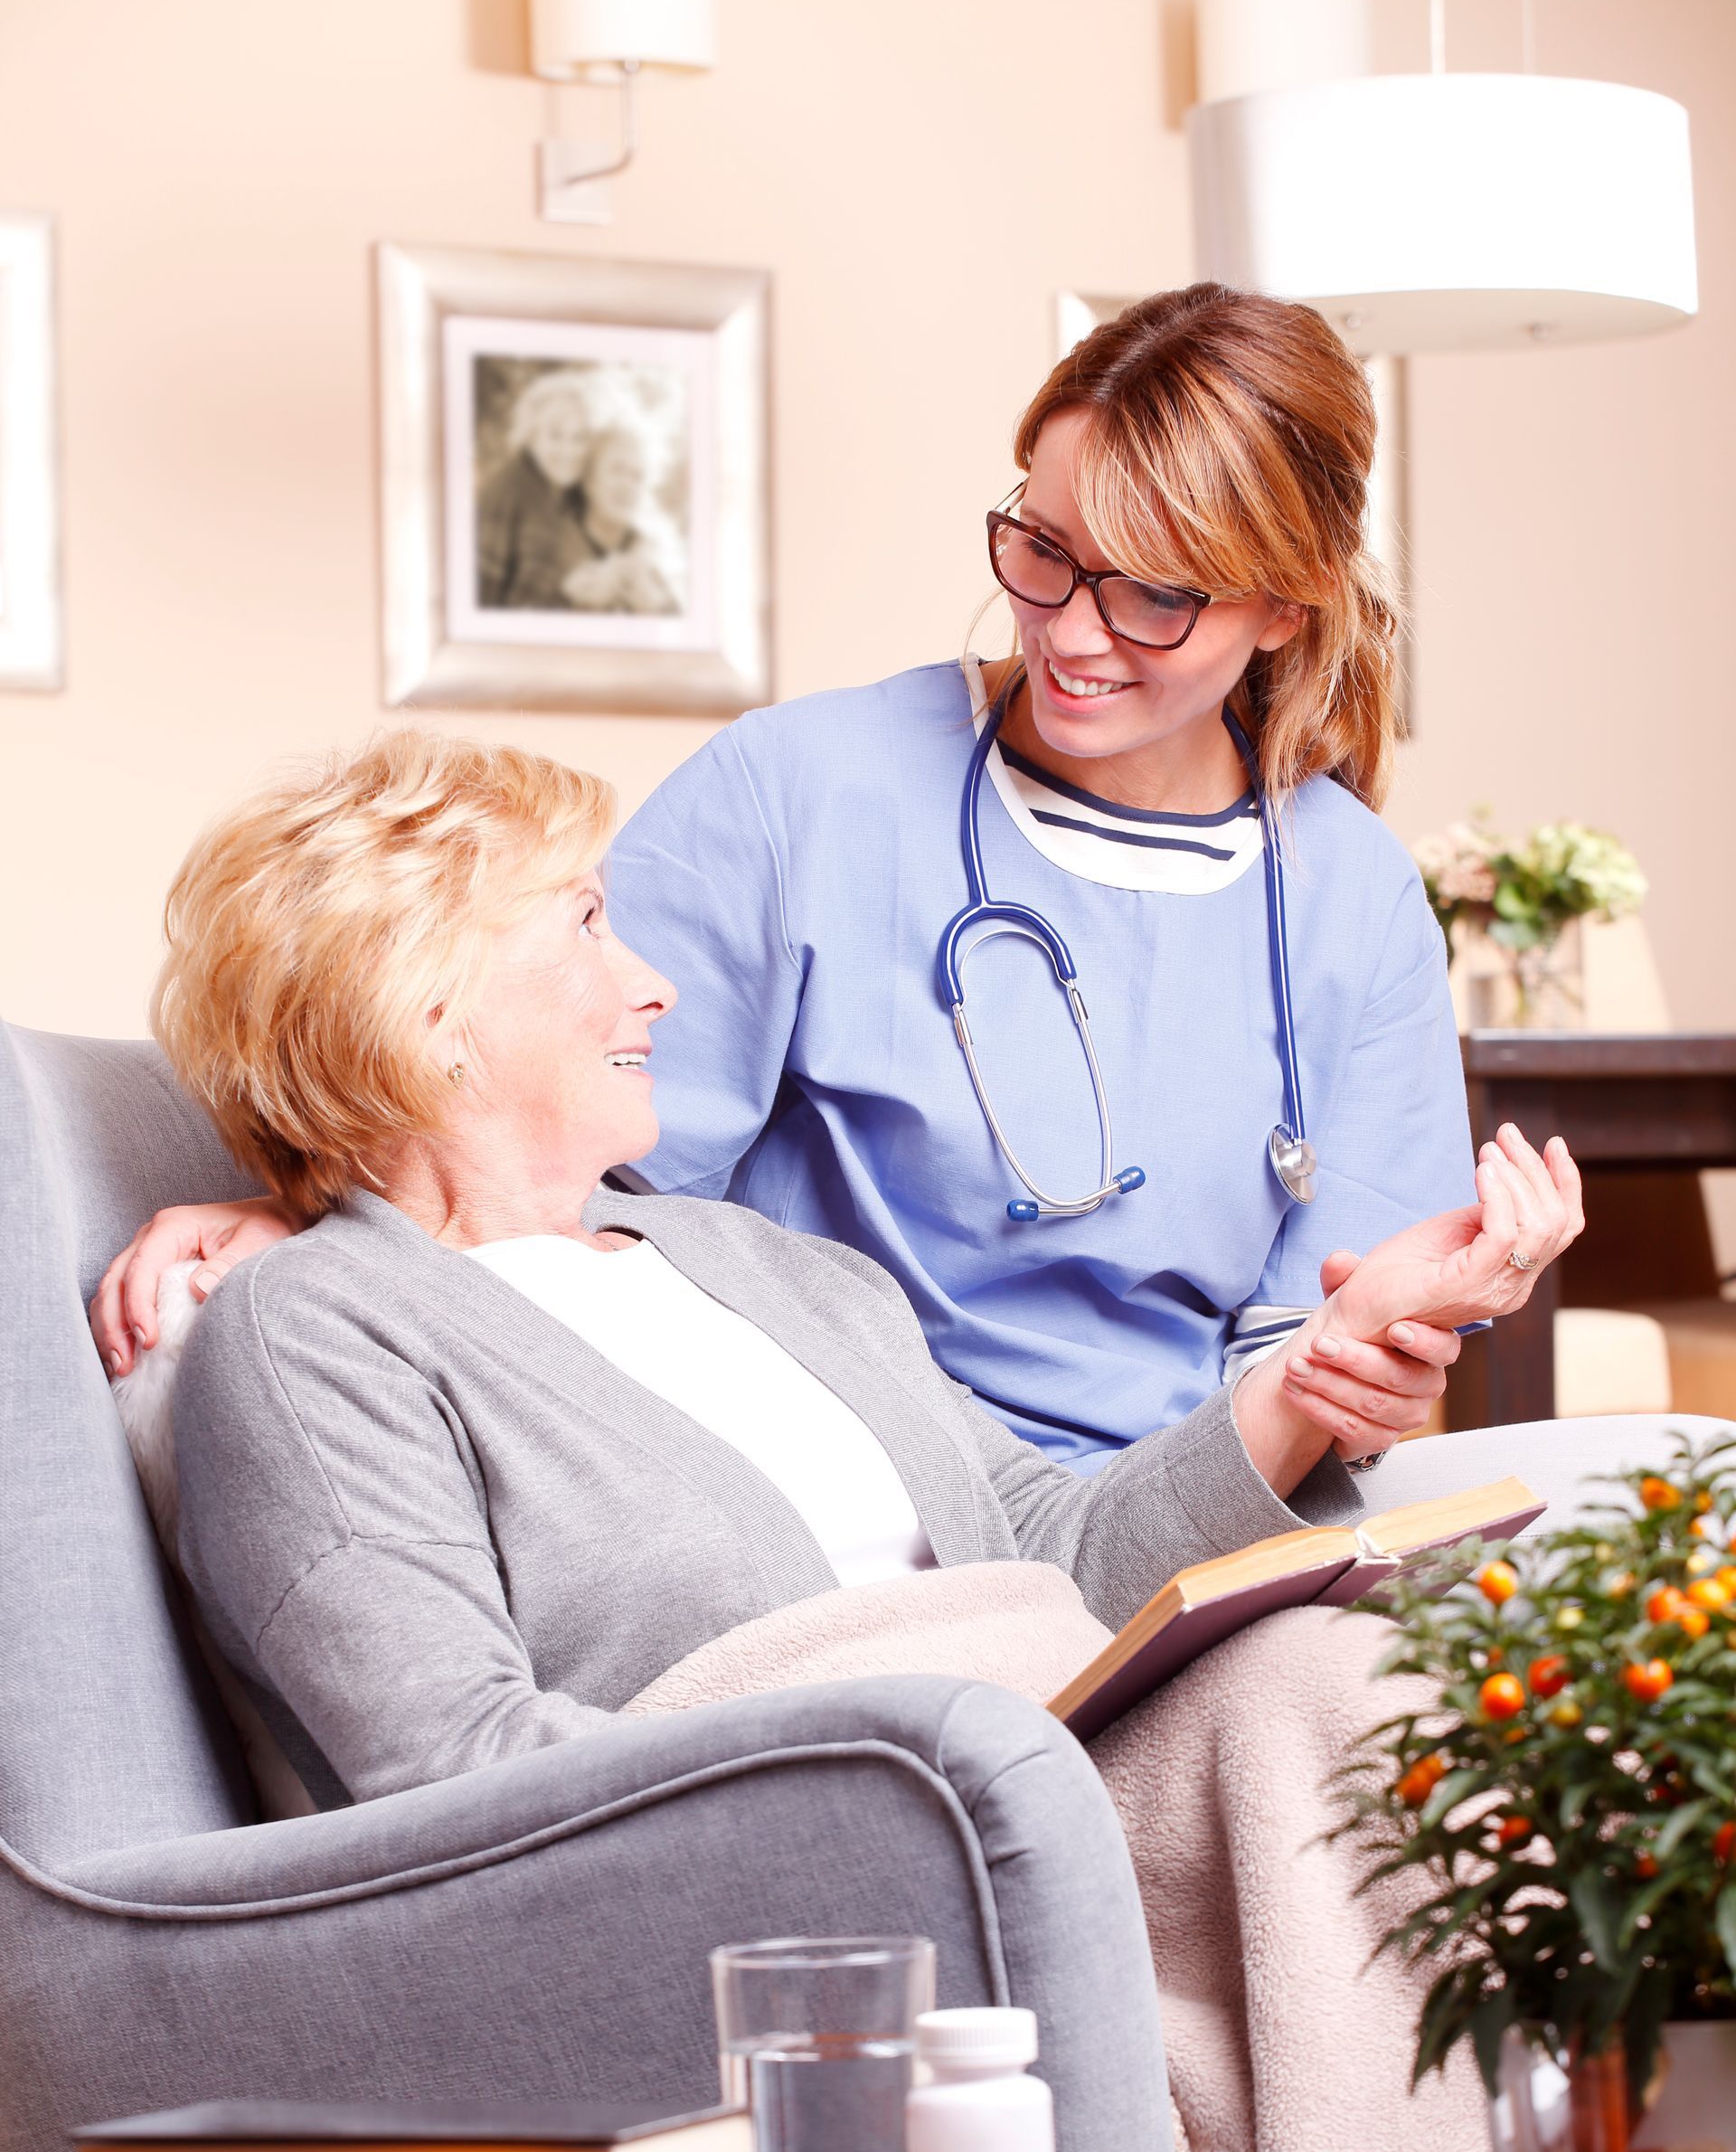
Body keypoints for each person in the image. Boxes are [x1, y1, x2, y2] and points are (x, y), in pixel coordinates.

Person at [99, 286, 1514, 1477]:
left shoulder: (1355, 899)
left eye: (1155, 593)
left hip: (1211, 1503)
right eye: (1043, 550)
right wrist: (305, 1225)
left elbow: (1322, 1353)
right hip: (852, 1486)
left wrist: (1368, 1378)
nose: (1071, 633)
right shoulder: (807, 790)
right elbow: (542, 1144)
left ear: (1285, 606)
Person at [133, 733, 1577, 1809]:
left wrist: (1327, 1355)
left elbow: (1069, 1561)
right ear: (427, 1011)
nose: (659, 983)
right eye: (586, 924)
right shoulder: (319, 1334)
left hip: (1040, 1749)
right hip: (888, 1816)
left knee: (1433, 1687)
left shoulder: (760, 1265)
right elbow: (452, 1766)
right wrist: (926, 1763)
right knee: (1330, 1723)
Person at [475, 368, 607, 612]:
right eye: (555, 435)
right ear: (532, 434)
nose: (569, 450)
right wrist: (564, 595)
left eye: (580, 438)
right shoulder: (508, 492)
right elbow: (483, 606)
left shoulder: (567, 494)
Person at [559, 423, 684, 617]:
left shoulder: (653, 559)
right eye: (617, 469)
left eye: (637, 476)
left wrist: (656, 607)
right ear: (589, 480)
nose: (627, 485)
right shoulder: (553, 547)